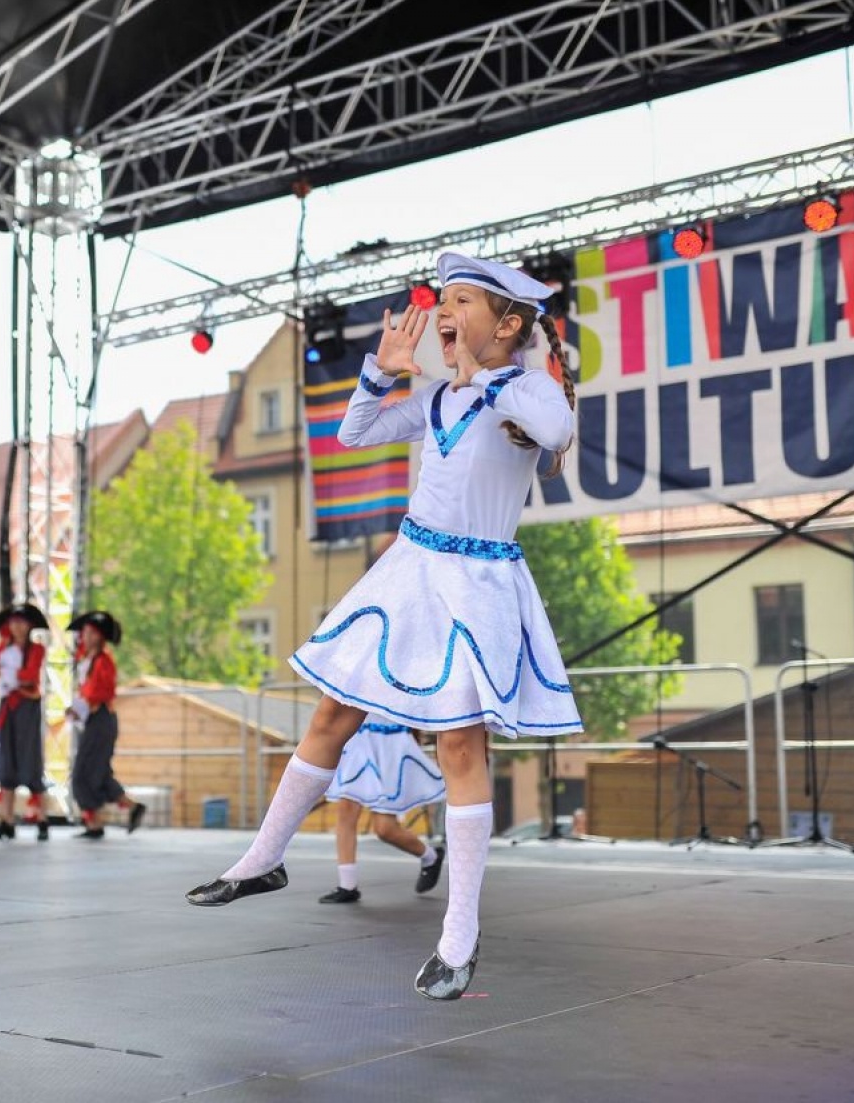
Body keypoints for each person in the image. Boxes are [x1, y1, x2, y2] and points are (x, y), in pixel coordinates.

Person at [186, 251, 580, 1000]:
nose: (443, 309)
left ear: (504, 322)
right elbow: (353, 433)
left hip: (478, 580)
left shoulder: (523, 387)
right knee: (333, 711)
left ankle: (458, 938)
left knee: (461, 740)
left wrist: (479, 377)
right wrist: (384, 369)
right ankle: (263, 858)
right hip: (410, 571)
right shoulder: (435, 399)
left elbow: (556, 427)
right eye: (445, 298)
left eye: (460, 300)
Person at [317, 722, 446, 904]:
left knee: (385, 829)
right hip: (358, 735)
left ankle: (431, 856)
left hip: (391, 742)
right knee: (347, 807)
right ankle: (347, 886)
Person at [66, 611, 146, 839]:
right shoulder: (88, 661)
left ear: (100, 637)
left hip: (101, 720)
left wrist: (82, 705)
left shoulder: (103, 661)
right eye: (86, 632)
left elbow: (101, 692)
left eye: (91, 632)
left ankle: (96, 822)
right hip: (93, 720)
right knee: (97, 772)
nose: (86, 636)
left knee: (83, 772)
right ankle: (120, 812)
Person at [0, 603, 49, 841]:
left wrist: (9, 675)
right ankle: (7, 819)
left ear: (30, 625)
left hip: (26, 706)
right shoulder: (3, 648)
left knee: (29, 757)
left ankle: (42, 818)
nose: (17, 627)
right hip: (6, 706)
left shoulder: (36, 650)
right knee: (5, 759)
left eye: (22, 622)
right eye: (13, 622)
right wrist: (0, 674)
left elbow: (30, 675)